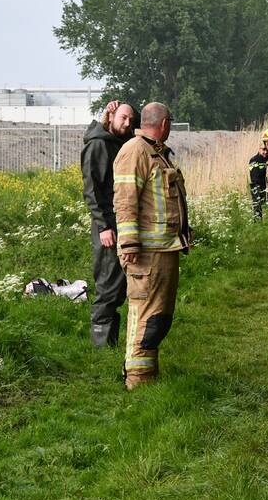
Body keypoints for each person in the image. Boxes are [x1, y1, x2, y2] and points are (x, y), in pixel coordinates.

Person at [113, 102, 191, 390]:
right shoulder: (134, 152)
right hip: (146, 253)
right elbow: (125, 200)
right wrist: (130, 243)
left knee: (159, 317)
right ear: (165, 123)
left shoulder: (157, 152)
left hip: (165, 249)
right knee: (145, 314)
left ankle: (148, 375)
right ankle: (137, 380)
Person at [81, 100, 135, 348]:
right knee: (107, 281)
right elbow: (92, 190)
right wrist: (103, 226)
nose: (127, 124)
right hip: (107, 226)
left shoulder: (122, 143)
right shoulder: (98, 145)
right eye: (123, 118)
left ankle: (111, 343)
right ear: (110, 116)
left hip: (123, 222)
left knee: (120, 283)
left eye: (130, 120)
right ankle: (101, 347)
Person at [248, 144, 268, 220]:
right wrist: (267, 168)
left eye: (267, 150)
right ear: (259, 149)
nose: (265, 152)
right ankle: (258, 225)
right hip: (257, 187)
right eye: (263, 150)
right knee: (258, 210)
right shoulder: (253, 160)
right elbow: (255, 175)